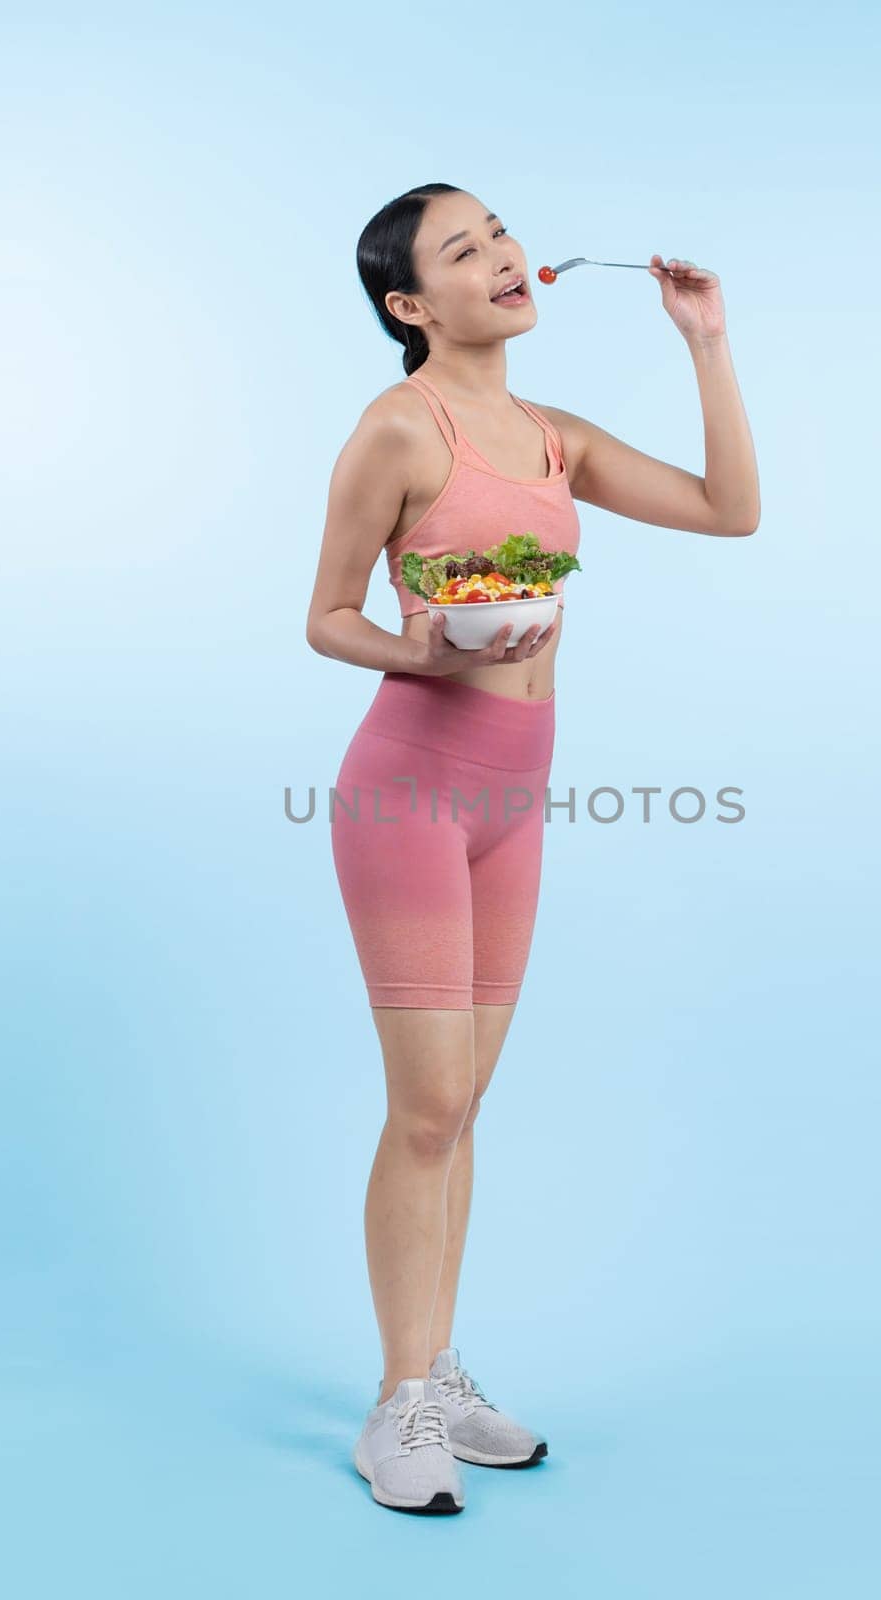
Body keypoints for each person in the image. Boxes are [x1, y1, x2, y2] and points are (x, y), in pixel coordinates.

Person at [305, 184, 760, 1514]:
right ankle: (398, 1404)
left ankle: (439, 1371)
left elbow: (731, 511)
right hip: (408, 794)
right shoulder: (398, 428)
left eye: (499, 232)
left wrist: (707, 341)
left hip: (515, 806)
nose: (502, 254)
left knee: (466, 1107)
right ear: (411, 305)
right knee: (430, 1106)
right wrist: (423, 645)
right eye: (462, 250)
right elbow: (328, 612)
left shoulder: (555, 438)